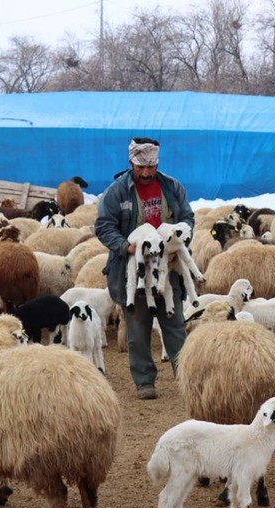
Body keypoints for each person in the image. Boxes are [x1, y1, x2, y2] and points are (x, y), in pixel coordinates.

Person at [95, 137, 194, 400]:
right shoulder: (117, 192)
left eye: (151, 166)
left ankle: (185, 377)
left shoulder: (172, 187)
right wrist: (127, 247)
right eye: (141, 167)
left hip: (167, 266)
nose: (147, 172)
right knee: (137, 329)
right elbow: (104, 226)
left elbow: (187, 218)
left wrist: (180, 237)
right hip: (133, 268)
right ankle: (144, 380)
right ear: (131, 163)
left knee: (175, 325)